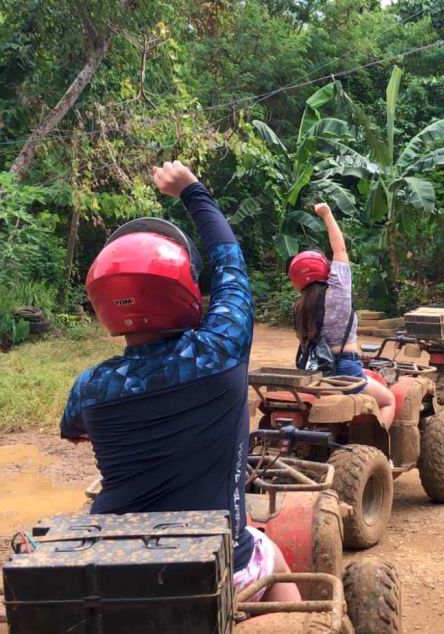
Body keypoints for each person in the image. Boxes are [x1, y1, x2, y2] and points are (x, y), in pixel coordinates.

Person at [60, 160, 300, 604]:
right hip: (214, 563)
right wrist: (192, 190)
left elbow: (74, 431)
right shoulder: (220, 350)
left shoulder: (90, 387)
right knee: (272, 556)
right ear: (185, 291)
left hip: (116, 568)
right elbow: (231, 266)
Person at [288, 202, 396, 427]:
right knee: (388, 401)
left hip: (315, 374)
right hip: (346, 369)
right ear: (324, 269)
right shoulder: (338, 291)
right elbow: (340, 250)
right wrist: (327, 214)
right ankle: (381, 456)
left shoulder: (298, 308)